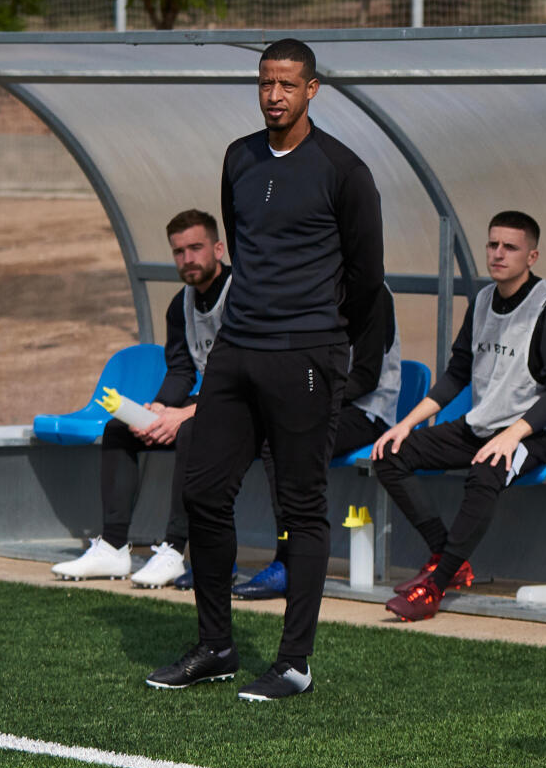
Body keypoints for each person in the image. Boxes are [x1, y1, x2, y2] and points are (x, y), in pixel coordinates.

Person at [146, 38, 385, 701]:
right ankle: (217, 646)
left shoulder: (344, 168)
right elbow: (246, 243)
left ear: (312, 89)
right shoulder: (239, 157)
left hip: (307, 354)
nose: (274, 95)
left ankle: (294, 662)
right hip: (237, 349)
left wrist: (323, 335)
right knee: (202, 487)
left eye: (286, 84)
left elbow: (368, 279)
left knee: (302, 506)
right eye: (264, 83)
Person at [372, 211, 546, 622]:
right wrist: (406, 424)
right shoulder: (483, 301)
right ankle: (448, 560)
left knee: (486, 470)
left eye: (510, 247)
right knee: (389, 455)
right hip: (483, 425)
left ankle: (432, 588)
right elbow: (457, 374)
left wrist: (513, 436)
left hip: (535, 433)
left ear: (532, 256)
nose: (498, 254)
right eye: (492, 244)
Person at [51, 208, 231, 589]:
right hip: (208, 402)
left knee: (190, 431)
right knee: (121, 428)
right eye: (179, 251)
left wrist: (182, 416)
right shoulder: (179, 305)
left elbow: (242, 379)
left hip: (246, 406)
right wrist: (161, 408)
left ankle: (173, 550)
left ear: (218, 248)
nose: (188, 259)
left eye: (196, 248)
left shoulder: (242, 296)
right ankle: (114, 546)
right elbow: (182, 369)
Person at [229, 283, 405, 601]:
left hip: (368, 412)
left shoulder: (373, 294)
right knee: (227, 431)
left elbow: (365, 376)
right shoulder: (311, 291)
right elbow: (310, 368)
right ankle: (206, 549)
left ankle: (291, 560)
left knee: (285, 442)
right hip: (319, 405)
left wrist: (308, 399)